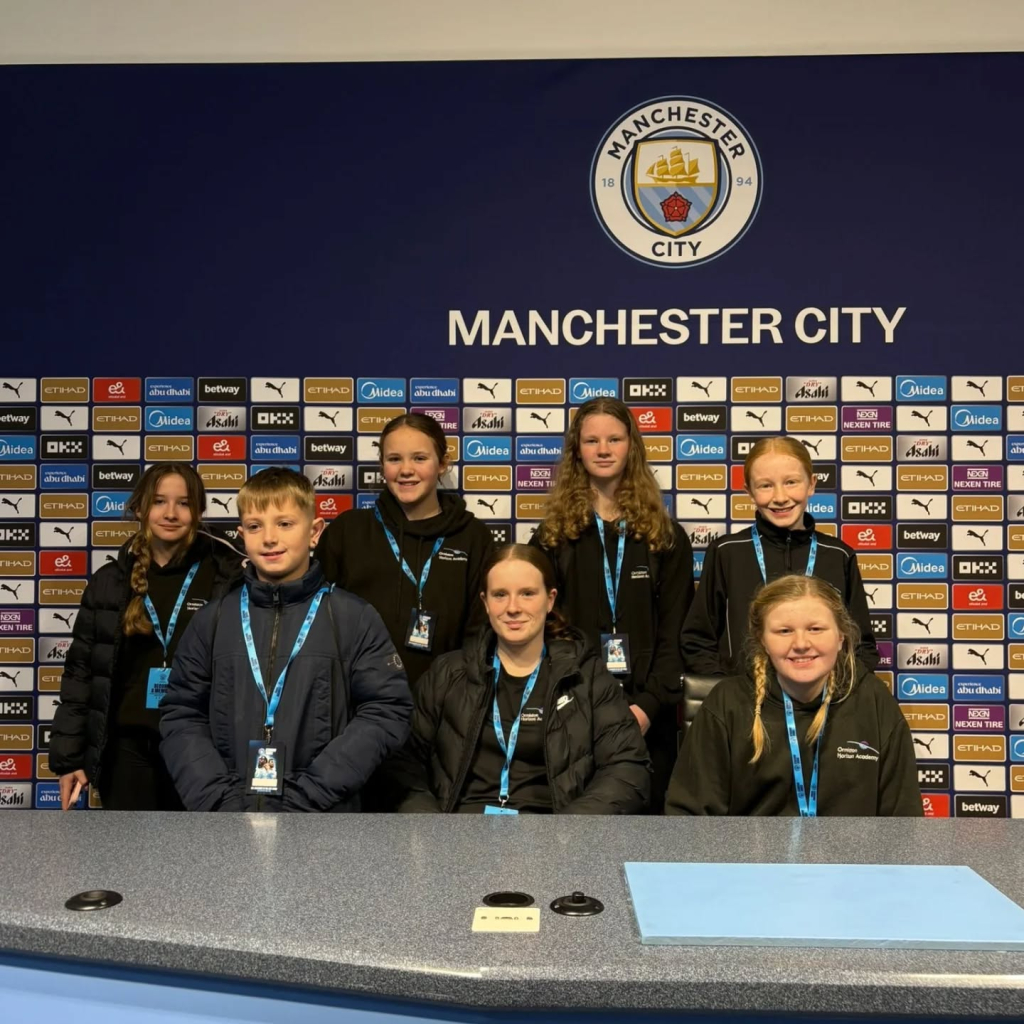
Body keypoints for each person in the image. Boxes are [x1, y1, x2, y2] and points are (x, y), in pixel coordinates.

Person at [159, 467, 412, 812]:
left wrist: (308, 796)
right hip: (227, 821)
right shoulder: (213, 620)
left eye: (285, 524)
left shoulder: (353, 618)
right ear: (241, 534)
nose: (269, 538)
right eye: (254, 526)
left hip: (321, 816)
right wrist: (220, 803)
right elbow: (182, 713)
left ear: (314, 532)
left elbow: (386, 711)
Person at [387, 544, 650, 814]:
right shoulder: (447, 674)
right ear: (485, 603)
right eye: (500, 595)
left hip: (555, 840)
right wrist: (431, 828)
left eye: (527, 594)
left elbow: (627, 767)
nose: (513, 608)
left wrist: (569, 833)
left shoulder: (588, 676)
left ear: (550, 600)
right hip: (459, 837)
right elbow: (402, 762)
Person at [50, 463, 244, 811]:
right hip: (127, 752)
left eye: (184, 503)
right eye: (158, 502)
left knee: (206, 861)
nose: (171, 513)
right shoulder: (110, 581)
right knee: (127, 861)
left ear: (199, 511)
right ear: (139, 508)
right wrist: (68, 759)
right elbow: (81, 673)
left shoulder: (226, 578)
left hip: (203, 747)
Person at [530, 397, 693, 811]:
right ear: (577, 451)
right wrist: (581, 706)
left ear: (631, 447)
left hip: (648, 720)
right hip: (572, 715)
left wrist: (647, 707)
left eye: (614, 439)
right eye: (592, 440)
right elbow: (543, 632)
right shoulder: (552, 537)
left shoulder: (666, 537)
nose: (603, 450)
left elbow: (675, 636)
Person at [666, 574, 921, 816]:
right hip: (749, 862)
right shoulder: (727, 703)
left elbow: (903, 822)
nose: (800, 644)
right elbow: (690, 819)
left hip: (852, 862)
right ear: (762, 639)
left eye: (816, 629)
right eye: (784, 631)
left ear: (841, 636)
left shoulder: (874, 701)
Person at [315, 413, 494, 686]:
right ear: (382, 465)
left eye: (419, 458)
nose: (406, 470)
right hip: (360, 703)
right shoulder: (348, 531)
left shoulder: (472, 537)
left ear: (443, 463)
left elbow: (480, 632)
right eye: (394, 459)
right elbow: (316, 622)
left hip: (446, 704)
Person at [681, 436, 878, 676]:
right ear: (750, 492)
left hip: (823, 706)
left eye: (791, 482)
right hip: (743, 706)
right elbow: (697, 640)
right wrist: (729, 696)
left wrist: (832, 695)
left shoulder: (838, 555)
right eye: (765, 485)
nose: (780, 497)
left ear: (812, 484)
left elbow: (861, 647)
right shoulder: (727, 552)